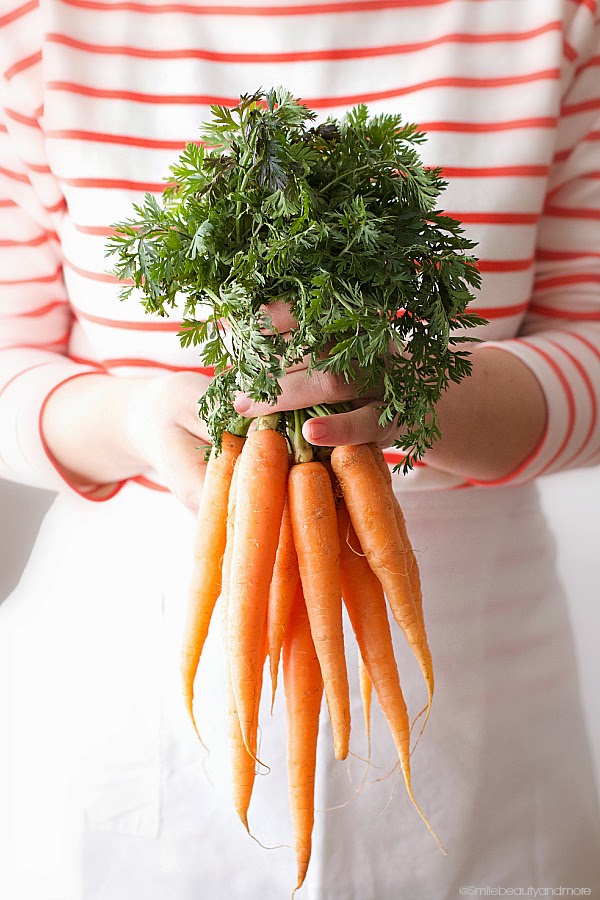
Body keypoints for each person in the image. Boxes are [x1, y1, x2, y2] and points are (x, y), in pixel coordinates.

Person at [0, 0, 599, 898]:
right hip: (133, 673)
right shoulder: (39, 25)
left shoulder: (558, 18)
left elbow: (592, 343)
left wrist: (425, 393)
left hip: (485, 680)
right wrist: (133, 420)